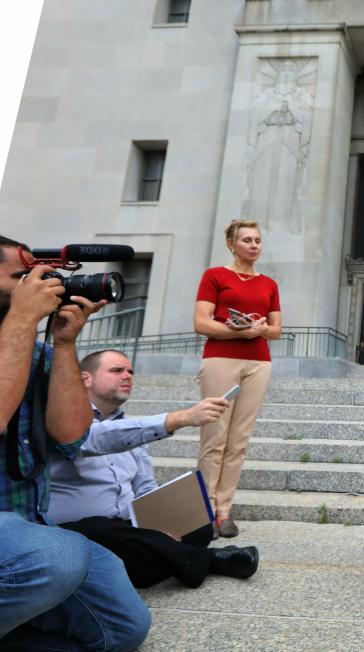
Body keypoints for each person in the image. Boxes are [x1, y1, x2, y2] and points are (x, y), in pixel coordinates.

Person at [0, 236, 150, 651]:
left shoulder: (34, 350)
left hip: (27, 529)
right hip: (27, 545)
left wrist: (64, 343)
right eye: (21, 277)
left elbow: (71, 437)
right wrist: (19, 321)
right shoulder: (17, 332)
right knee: (58, 557)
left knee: (123, 625)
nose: (39, 285)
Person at [47, 349, 261, 588]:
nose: (127, 376)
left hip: (128, 528)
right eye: (117, 370)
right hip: (78, 531)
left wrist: (160, 524)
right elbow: (95, 438)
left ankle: (153, 554)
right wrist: (181, 417)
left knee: (197, 526)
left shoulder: (128, 429)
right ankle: (207, 560)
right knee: (100, 529)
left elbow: (144, 486)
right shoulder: (62, 421)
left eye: (130, 371)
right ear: (86, 379)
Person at [194, 219, 281, 538]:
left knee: (238, 440)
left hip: (258, 363)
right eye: (247, 240)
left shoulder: (269, 284)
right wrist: (238, 329)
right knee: (214, 438)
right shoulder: (215, 276)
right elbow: (202, 323)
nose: (254, 245)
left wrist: (259, 330)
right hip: (220, 358)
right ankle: (205, 510)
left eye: (257, 240)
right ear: (231, 244)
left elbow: (276, 329)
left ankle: (224, 511)